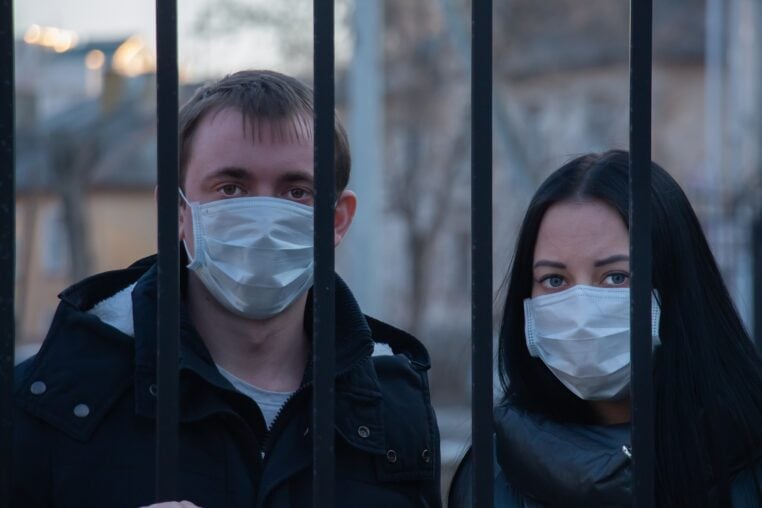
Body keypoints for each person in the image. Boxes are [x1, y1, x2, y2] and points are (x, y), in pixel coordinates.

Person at [12, 70, 441, 507]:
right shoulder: (58, 397)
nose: (263, 220)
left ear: (337, 219)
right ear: (177, 212)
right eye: (231, 188)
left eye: (297, 192)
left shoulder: (394, 405)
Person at [449, 150, 762, 507]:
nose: (581, 310)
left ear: (677, 284)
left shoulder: (747, 464)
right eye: (554, 279)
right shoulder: (494, 476)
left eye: (616, 277)